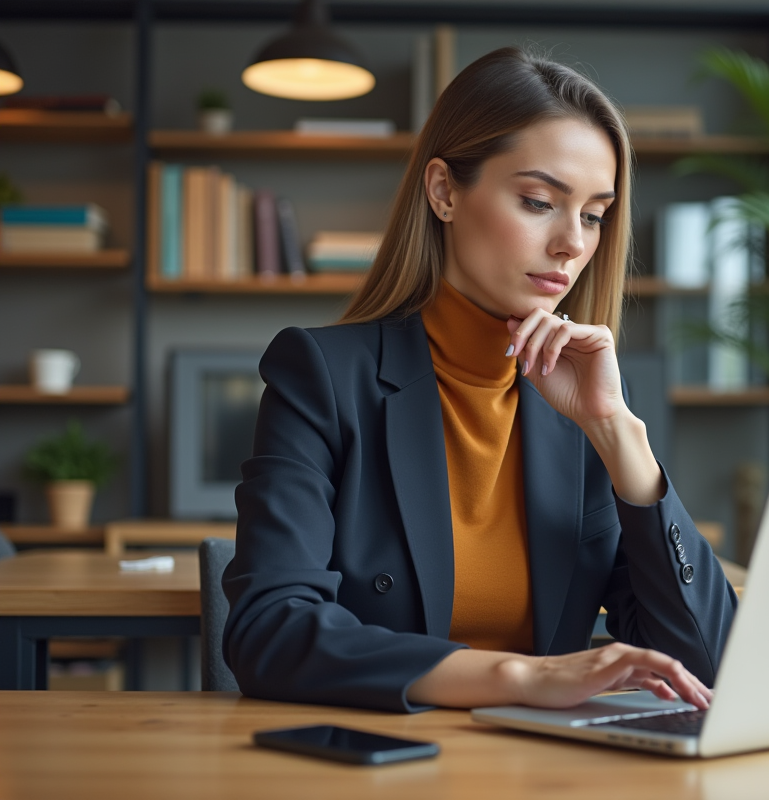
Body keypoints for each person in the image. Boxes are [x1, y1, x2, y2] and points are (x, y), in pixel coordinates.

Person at [221, 47, 737, 713]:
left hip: (545, 773)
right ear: (443, 191)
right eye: (538, 201)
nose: (573, 244)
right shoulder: (322, 376)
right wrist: (521, 678)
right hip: (384, 760)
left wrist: (617, 433)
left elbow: (705, 664)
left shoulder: (583, 403)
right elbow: (271, 633)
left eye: (594, 214)